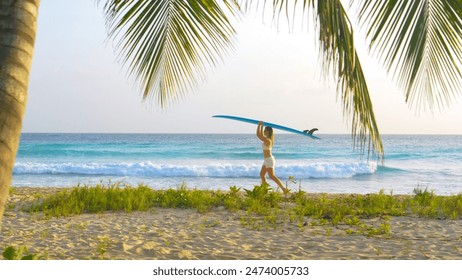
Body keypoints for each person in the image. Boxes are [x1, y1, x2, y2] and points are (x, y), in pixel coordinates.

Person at [256, 121, 289, 193]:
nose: (264, 132)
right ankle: (265, 189)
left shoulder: (268, 140)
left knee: (272, 176)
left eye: (265, 130)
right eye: (264, 130)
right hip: (267, 160)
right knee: (262, 175)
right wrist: (261, 126)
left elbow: (258, 135)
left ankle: (283, 189)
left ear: (268, 131)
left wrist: (259, 125)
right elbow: (260, 135)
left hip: (269, 160)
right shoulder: (267, 139)